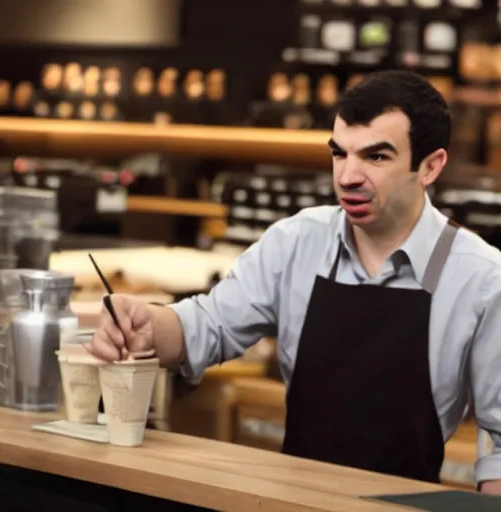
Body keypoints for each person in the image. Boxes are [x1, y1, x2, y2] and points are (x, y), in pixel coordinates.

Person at [87, 70, 501, 494]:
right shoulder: (296, 242)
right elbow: (209, 325)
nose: (347, 177)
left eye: (375, 157)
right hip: (294, 500)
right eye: (340, 154)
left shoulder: (482, 277)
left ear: (431, 166)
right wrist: (148, 327)